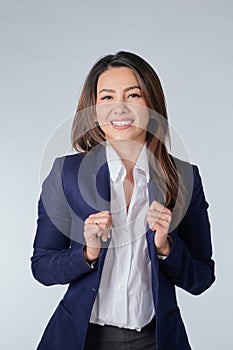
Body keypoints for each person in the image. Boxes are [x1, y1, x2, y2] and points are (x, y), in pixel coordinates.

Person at [31, 51, 215, 350]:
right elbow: (42, 266)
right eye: (106, 97)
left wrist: (166, 247)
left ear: (151, 105)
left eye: (133, 95)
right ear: (93, 110)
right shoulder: (65, 173)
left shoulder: (184, 178)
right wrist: (87, 253)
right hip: (81, 338)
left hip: (155, 340)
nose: (120, 108)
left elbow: (202, 278)